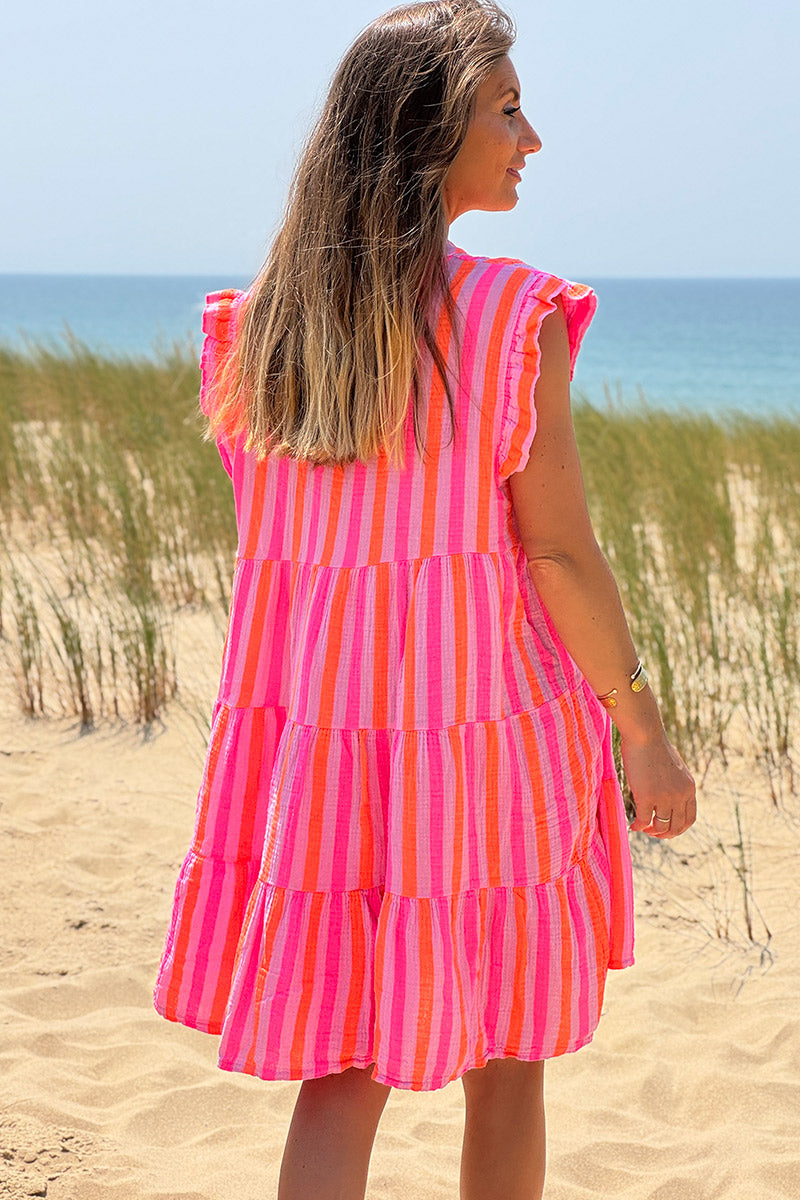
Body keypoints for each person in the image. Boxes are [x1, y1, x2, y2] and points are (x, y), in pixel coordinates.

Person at [153, 2, 697, 1197]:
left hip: (326, 761)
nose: (531, 137)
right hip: (483, 748)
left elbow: (313, 572)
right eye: (505, 109)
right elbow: (556, 557)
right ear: (424, 132)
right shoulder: (509, 317)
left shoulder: (258, 335)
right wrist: (640, 729)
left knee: (340, 1070)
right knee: (506, 1056)